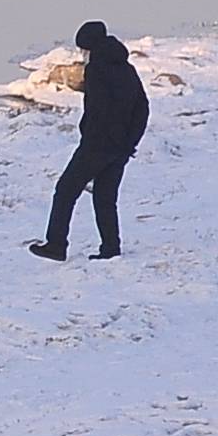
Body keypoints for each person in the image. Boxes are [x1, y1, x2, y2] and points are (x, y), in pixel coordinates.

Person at [29, 20, 149, 261]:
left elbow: (97, 110)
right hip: (121, 147)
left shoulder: (96, 70)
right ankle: (110, 249)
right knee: (105, 198)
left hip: (97, 145)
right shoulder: (127, 69)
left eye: (83, 50)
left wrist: (89, 135)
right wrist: (129, 142)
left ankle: (56, 244)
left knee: (65, 191)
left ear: (90, 48)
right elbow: (142, 108)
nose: (82, 55)